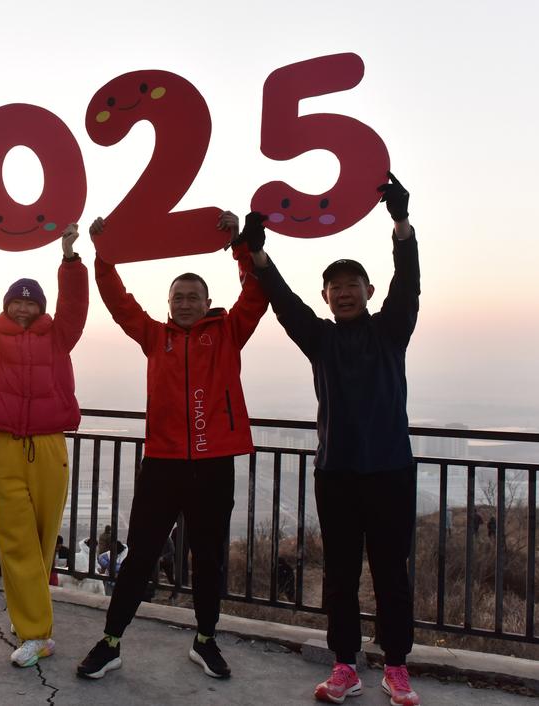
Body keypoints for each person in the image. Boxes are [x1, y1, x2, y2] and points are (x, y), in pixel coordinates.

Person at [245, 172, 421, 706]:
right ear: (325, 296)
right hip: (337, 472)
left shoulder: (391, 329)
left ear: (368, 292)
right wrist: (258, 255)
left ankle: (396, 666)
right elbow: (283, 302)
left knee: (391, 574)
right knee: (340, 575)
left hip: (390, 470)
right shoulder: (319, 338)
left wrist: (401, 224)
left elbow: (408, 283)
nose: (344, 293)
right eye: (335, 288)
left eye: (352, 285)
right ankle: (345, 665)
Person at [77, 211, 268, 680]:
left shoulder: (228, 332)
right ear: (168, 304)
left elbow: (256, 295)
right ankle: (111, 641)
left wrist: (242, 247)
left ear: (207, 302)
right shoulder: (154, 337)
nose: (184, 303)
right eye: (177, 297)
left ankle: (206, 640)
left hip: (214, 464)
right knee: (140, 555)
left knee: (208, 558)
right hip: (162, 464)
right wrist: (104, 255)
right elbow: (119, 303)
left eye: (192, 297)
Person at [0, 218, 88, 668]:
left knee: (44, 537)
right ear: (7, 304)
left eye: (31, 304)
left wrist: (69, 258)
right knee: (15, 540)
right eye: (16, 301)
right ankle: (37, 633)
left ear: (41, 309)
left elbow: (75, 306)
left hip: (50, 446)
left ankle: (30, 610)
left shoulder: (59, 337)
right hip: (8, 446)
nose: (22, 309)